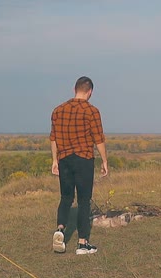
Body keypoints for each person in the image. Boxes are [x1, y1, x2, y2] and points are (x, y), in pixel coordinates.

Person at [50, 76, 108, 255]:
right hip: (83, 159)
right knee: (84, 201)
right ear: (90, 92)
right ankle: (82, 244)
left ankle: (60, 229)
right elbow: (98, 139)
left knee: (66, 197)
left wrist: (55, 160)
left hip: (64, 159)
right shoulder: (92, 111)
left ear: (74, 89)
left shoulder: (58, 110)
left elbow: (53, 138)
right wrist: (105, 161)